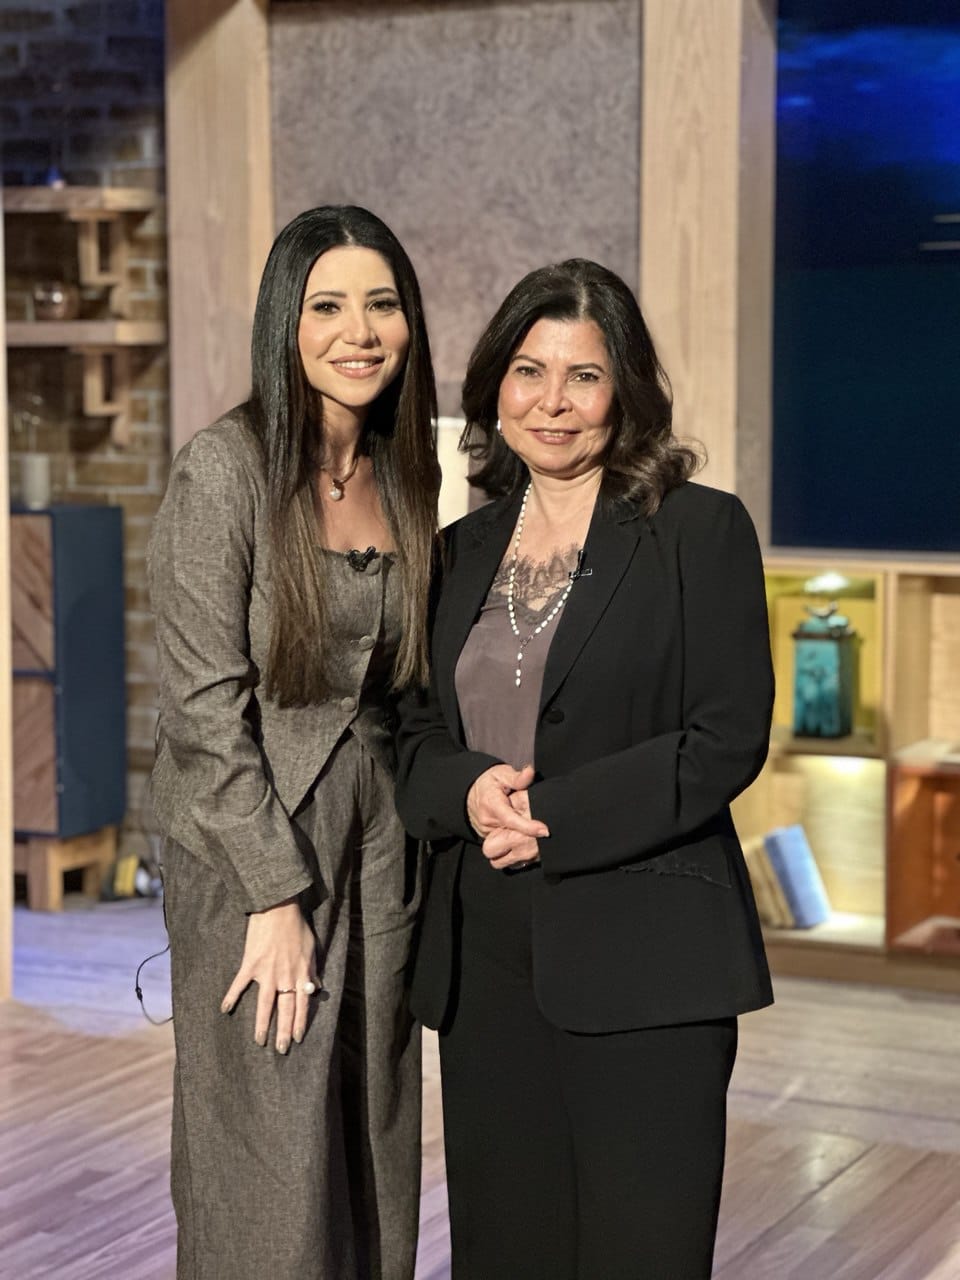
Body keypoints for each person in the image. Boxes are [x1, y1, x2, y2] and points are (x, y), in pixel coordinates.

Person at [395, 258, 775, 1279]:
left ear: (626, 391)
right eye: (528, 371)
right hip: (485, 961)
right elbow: (411, 729)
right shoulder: (454, 551)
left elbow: (725, 736)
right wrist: (466, 788)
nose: (552, 402)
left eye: (584, 375)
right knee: (504, 1250)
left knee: (640, 1252)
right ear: (494, 388)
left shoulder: (699, 530)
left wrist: (552, 814)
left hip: (648, 955)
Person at [147, 205, 440, 1280]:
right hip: (253, 849)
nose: (358, 331)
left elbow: (407, 686)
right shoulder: (222, 471)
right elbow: (201, 708)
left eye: (382, 304)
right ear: (286, 321)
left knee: (372, 1131)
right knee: (267, 1149)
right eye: (327, 306)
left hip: (378, 845)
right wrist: (273, 897)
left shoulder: (405, 472)